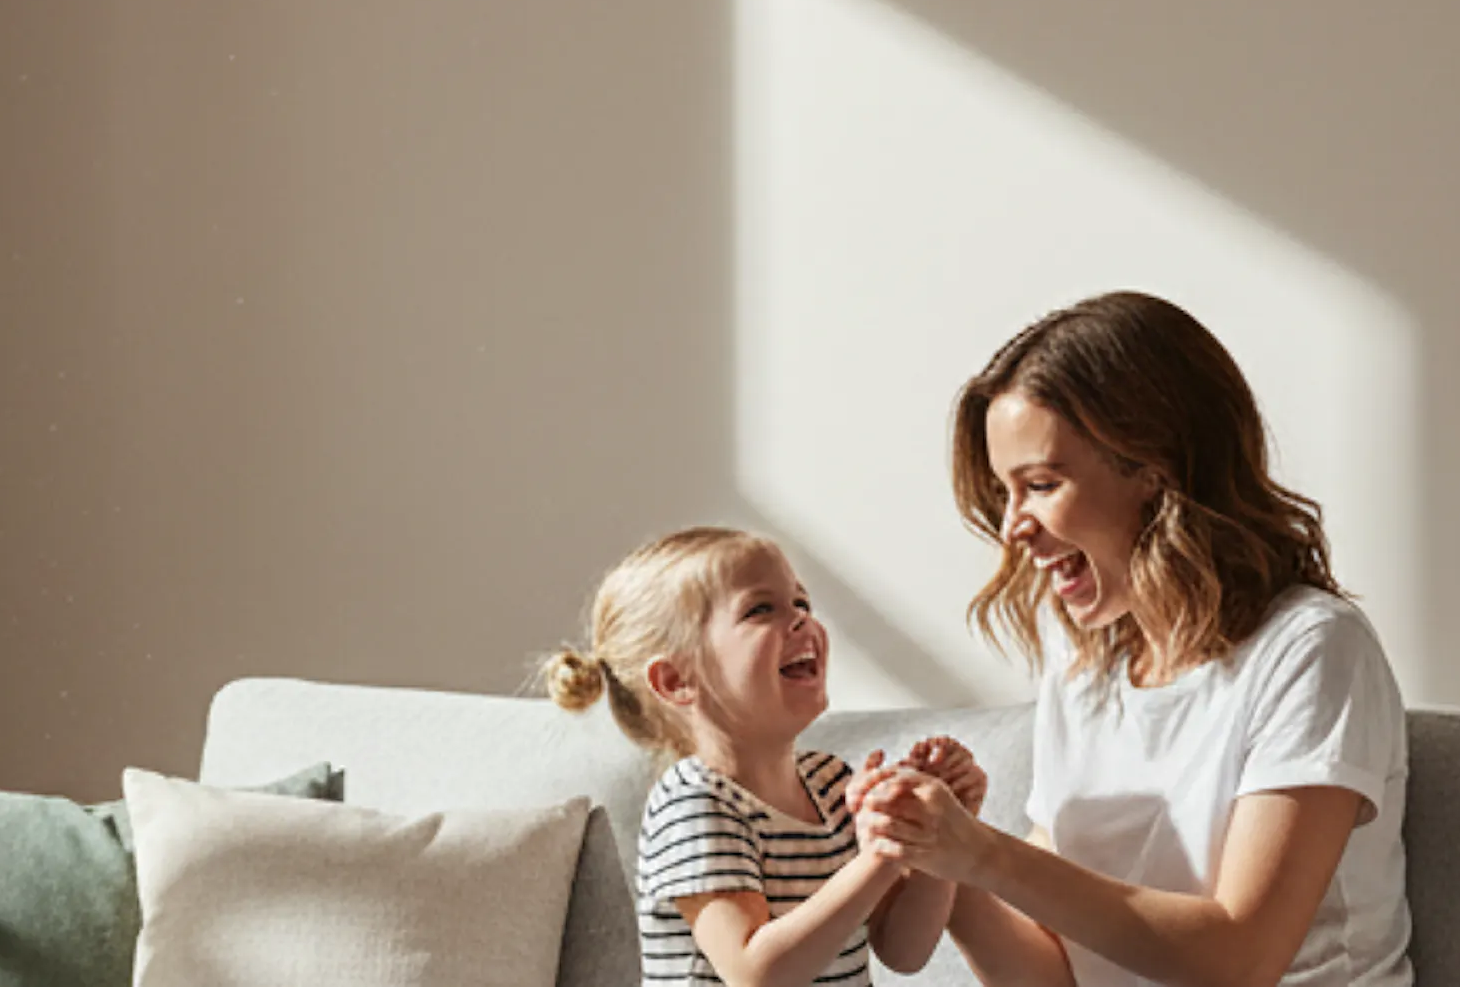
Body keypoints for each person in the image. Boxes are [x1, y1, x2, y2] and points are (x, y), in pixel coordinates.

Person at [854, 293, 1415, 987]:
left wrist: (982, 853)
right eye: (1005, 493)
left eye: (1041, 484)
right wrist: (944, 860)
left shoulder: (1312, 650)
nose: (1012, 528)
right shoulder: (1085, 663)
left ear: (1155, 469)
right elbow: (1052, 978)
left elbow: (1241, 960)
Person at [547, 527, 993, 987]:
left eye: (802, 603)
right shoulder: (694, 806)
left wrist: (932, 834)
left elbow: (904, 951)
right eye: (761, 609)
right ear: (677, 681)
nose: (800, 620)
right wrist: (879, 855)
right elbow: (757, 974)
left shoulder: (830, 784)